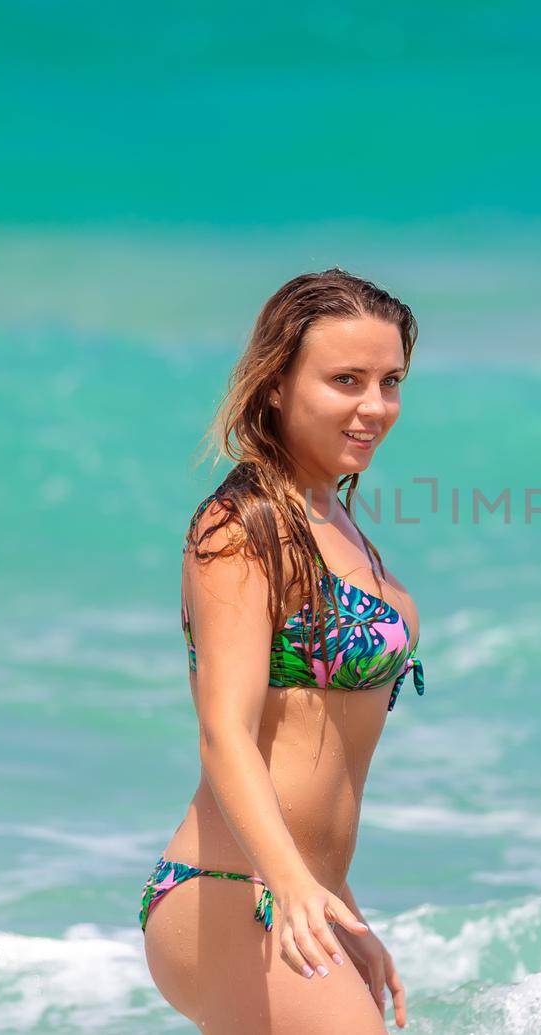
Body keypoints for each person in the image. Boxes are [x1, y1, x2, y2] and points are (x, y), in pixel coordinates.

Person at [140, 268, 426, 1033]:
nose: (374, 406)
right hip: (231, 884)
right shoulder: (241, 527)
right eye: (345, 380)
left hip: (301, 891)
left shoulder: (335, 517)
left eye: (390, 380)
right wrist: (293, 884)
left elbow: (312, 747)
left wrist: (338, 903)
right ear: (274, 384)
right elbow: (225, 730)